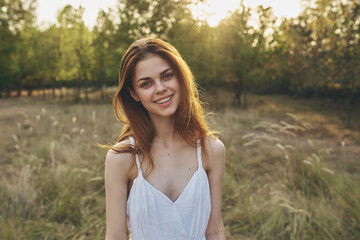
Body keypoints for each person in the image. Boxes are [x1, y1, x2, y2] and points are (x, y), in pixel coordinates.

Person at [104, 38, 226, 240]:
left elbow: (215, 230)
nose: (160, 88)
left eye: (167, 76)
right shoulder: (121, 159)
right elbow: (116, 237)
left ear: (180, 77)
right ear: (134, 94)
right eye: (146, 83)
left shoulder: (212, 150)